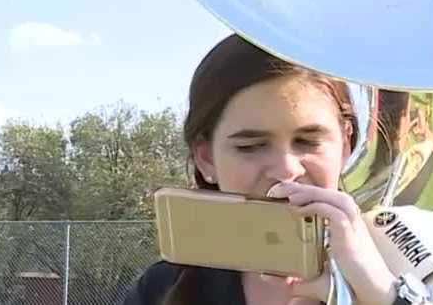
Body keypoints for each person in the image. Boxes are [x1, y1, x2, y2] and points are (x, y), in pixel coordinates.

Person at [122, 33, 403, 305]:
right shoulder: (161, 289)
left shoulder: (405, 267)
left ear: (345, 143)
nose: (286, 170)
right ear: (206, 159)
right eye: (251, 146)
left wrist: (386, 299)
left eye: (307, 141)